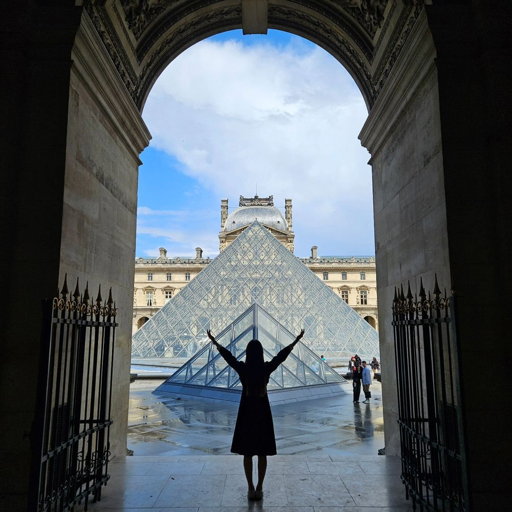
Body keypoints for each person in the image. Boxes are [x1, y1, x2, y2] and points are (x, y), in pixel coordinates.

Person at [207, 327, 305, 501]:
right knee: (262, 452)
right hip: (262, 411)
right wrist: (296, 341)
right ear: (260, 353)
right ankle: (260, 487)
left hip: (246, 411)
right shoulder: (266, 368)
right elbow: (280, 357)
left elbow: (229, 358)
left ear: (247, 353)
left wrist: (215, 342)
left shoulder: (243, 369)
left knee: (247, 452)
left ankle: (250, 487)